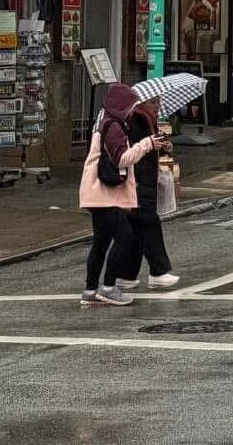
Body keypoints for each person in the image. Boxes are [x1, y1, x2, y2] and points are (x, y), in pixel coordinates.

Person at [78, 83, 163, 307]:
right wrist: (147, 144)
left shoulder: (107, 122)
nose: (131, 109)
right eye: (130, 105)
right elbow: (121, 159)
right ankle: (107, 287)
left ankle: (90, 290)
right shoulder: (114, 126)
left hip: (98, 193)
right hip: (103, 194)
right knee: (124, 236)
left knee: (101, 242)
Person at [116, 94, 179, 292]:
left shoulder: (148, 121)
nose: (158, 106)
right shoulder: (136, 122)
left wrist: (164, 147)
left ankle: (125, 275)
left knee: (136, 230)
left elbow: (151, 147)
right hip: (139, 182)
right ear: (141, 104)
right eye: (153, 102)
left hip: (146, 181)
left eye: (159, 102)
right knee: (149, 225)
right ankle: (158, 272)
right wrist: (152, 145)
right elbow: (134, 152)